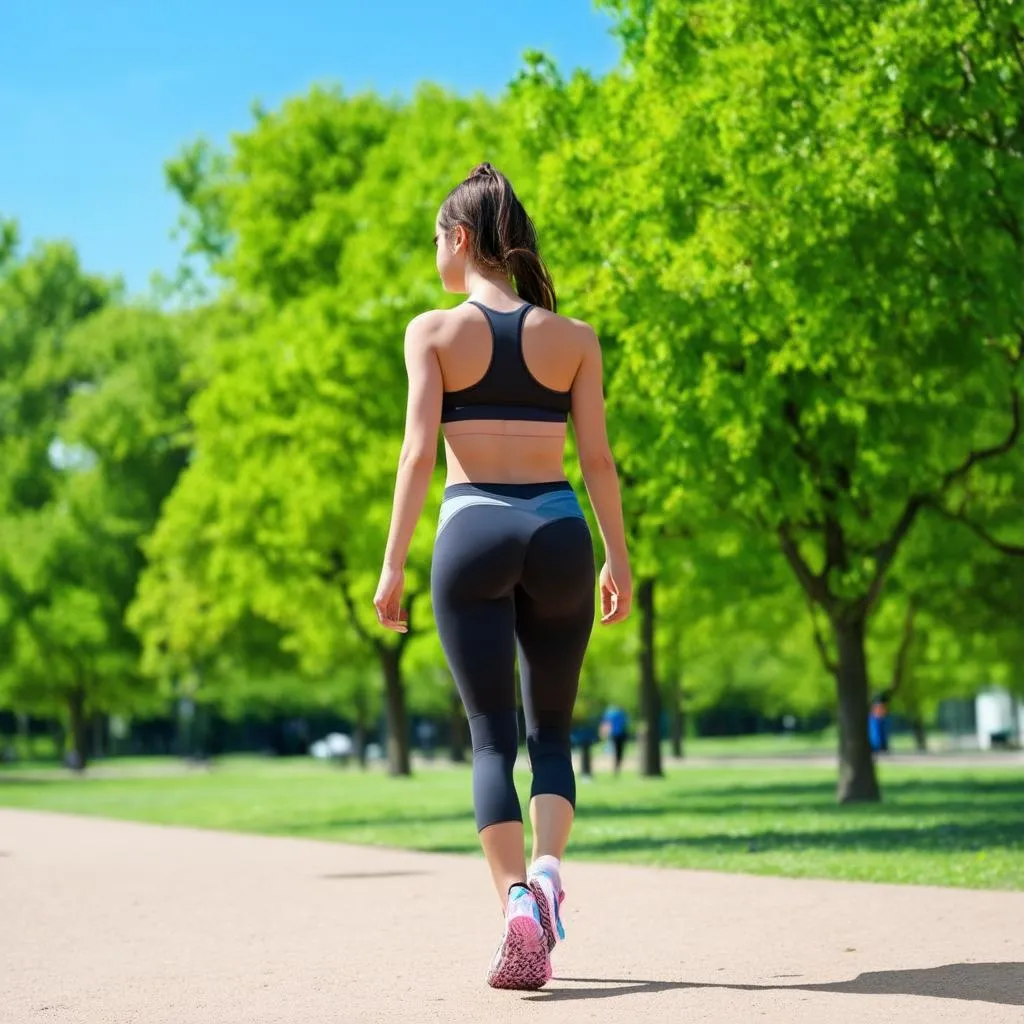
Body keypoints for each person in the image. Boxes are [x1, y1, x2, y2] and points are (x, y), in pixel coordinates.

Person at [373, 163, 632, 991]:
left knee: (493, 736)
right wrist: (617, 557)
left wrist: (391, 566)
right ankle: (551, 873)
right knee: (553, 734)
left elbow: (418, 456)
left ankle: (517, 901)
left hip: (472, 527)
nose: (435, 258)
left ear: (459, 239)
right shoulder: (575, 339)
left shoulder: (433, 332)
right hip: (560, 531)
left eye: (435, 242)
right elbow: (597, 459)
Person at [600, 704, 630, 774]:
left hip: (615, 734)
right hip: (619, 734)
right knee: (619, 751)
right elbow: (626, 723)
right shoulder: (621, 713)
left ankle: (616, 766)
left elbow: (605, 724)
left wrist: (603, 732)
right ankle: (617, 766)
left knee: (617, 751)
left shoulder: (610, 713)